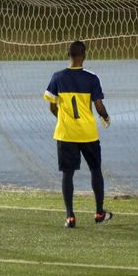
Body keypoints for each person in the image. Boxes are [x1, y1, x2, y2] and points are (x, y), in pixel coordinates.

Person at [44, 40, 113, 228]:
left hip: (66, 134)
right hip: (88, 133)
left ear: (68, 55)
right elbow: (98, 106)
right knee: (95, 170)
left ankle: (70, 217)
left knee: (68, 174)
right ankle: (99, 212)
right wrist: (105, 116)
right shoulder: (92, 78)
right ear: (85, 56)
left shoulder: (57, 77)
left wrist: (63, 119)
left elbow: (52, 106)